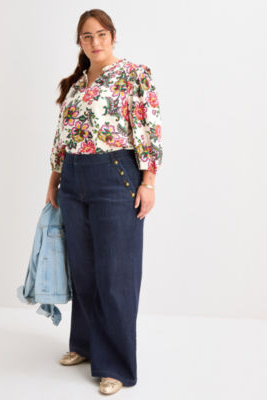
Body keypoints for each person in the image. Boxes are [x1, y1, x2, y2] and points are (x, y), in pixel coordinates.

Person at [45, 9, 163, 395]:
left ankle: (115, 365)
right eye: (87, 36)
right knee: (83, 270)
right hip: (73, 178)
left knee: (116, 274)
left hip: (116, 175)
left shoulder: (133, 74)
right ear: (79, 43)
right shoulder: (76, 85)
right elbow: (63, 134)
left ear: (113, 36)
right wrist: (54, 178)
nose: (95, 42)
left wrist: (148, 181)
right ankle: (84, 344)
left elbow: (148, 128)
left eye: (101, 34)